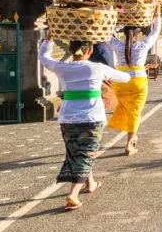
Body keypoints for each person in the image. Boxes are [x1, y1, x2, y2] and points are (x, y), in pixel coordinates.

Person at [39, 31, 130, 211]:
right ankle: (73, 194)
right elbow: (125, 78)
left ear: (71, 50)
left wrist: (49, 39)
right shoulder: (97, 68)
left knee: (75, 152)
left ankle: (91, 183)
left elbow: (43, 57)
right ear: (89, 50)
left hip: (68, 117)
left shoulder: (61, 67)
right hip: (92, 117)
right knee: (87, 153)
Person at [108, 4, 162, 155]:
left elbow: (106, 33)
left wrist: (109, 12)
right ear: (137, 35)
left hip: (120, 82)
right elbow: (156, 31)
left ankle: (132, 136)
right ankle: (129, 144)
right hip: (138, 82)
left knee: (128, 109)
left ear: (124, 34)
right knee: (134, 112)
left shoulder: (117, 45)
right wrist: (157, 13)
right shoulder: (143, 45)